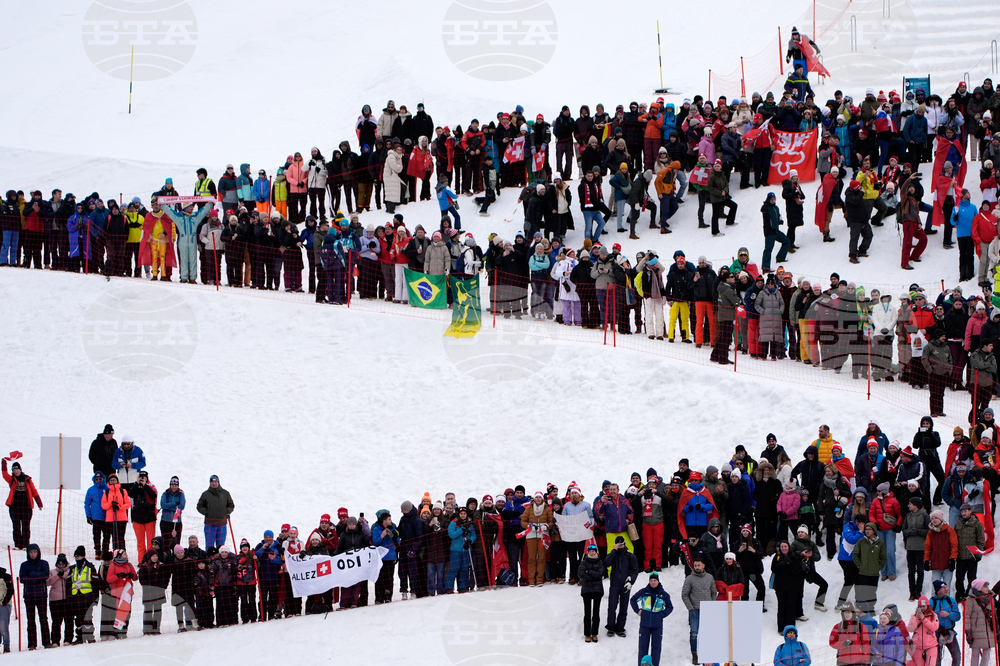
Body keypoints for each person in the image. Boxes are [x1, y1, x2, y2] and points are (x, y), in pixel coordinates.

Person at [629, 570, 672, 666]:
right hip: (644, 625)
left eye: (654, 580)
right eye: (651, 580)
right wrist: (637, 610)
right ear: (649, 581)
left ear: (658, 582)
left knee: (656, 649)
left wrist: (662, 614)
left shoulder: (663, 594)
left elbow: (670, 607)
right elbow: (633, 599)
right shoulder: (644, 592)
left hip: (657, 626)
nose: (653, 582)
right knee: (642, 648)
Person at [681, 558, 716, 665]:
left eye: (698, 565)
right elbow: (684, 594)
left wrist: (711, 604)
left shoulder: (710, 577)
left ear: (703, 565)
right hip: (695, 610)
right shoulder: (689, 579)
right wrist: (690, 607)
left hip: (707, 610)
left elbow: (714, 592)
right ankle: (694, 655)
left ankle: (708, 654)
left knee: (708, 634)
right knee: (694, 633)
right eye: (695, 565)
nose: (696, 567)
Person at [3, 458, 42, 550]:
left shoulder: (27, 480)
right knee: (16, 526)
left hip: (26, 507)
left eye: (17, 469)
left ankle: (25, 545)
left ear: (20, 470)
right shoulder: (12, 480)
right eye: (14, 470)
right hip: (14, 507)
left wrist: (39, 503)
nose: (15, 471)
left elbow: (34, 492)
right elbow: (4, 475)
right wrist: (4, 462)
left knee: (25, 526)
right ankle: (17, 544)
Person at [605, 534, 639, 638]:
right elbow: (606, 563)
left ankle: (620, 627)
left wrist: (631, 581)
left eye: (621, 544)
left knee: (623, 607)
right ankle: (610, 627)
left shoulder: (630, 556)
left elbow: (635, 570)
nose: (620, 546)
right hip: (614, 584)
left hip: (625, 585)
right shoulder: (613, 555)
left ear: (624, 544)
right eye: (617, 544)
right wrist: (613, 551)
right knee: (612, 606)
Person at [20, 544, 50, 649]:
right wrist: (37, 577)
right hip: (29, 596)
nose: (33, 554)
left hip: (41, 595)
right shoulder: (24, 565)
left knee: (43, 618)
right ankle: (32, 644)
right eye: (31, 552)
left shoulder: (44, 563)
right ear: (28, 553)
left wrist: (32, 574)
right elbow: (22, 579)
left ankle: (46, 642)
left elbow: (46, 575)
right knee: (30, 619)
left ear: (38, 552)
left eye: (35, 552)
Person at [953, 503, 985, 599]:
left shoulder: (977, 524)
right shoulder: (958, 524)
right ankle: (960, 594)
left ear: (970, 511)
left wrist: (978, 554)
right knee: (959, 578)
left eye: (965, 511)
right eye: (962, 511)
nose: (963, 513)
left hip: (972, 556)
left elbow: (980, 540)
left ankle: (970, 594)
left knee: (971, 578)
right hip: (960, 556)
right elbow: (954, 540)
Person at [853, 521, 887, 611]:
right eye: (866, 529)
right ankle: (861, 609)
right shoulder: (861, 541)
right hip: (863, 572)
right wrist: (859, 565)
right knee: (862, 591)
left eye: (869, 529)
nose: (867, 531)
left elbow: (883, 557)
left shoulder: (880, 543)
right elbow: (855, 554)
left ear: (874, 531)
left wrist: (878, 567)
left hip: (874, 573)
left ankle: (871, 608)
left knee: (872, 592)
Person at [901, 497, 929, 601]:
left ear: (915, 505)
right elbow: (903, 530)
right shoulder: (908, 516)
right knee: (911, 570)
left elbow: (928, 531)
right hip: (910, 547)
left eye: (910, 504)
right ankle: (911, 591)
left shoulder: (924, 515)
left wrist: (917, 531)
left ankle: (918, 590)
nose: (908, 506)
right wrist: (909, 533)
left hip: (920, 547)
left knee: (920, 570)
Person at [68, 545, 98, 644]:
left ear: (83, 556)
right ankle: (80, 637)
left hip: (87, 596)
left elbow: (95, 583)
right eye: (75, 556)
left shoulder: (90, 567)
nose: (77, 558)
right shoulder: (72, 568)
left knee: (88, 617)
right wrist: (69, 597)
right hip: (76, 597)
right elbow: (68, 584)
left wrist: (95, 597)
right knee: (78, 618)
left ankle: (90, 636)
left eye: (79, 556)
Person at [197, 475, 234, 549]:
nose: (214, 483)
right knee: (209, 545)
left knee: (221, 546)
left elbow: (231, 505)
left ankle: (220, 560)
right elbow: (199, 506)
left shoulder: (225, 493)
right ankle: (209, 559)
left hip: (222, 524)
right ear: (210, 483)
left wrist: (227, 511)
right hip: (209, 524)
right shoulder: (205, 494)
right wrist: (206, 512)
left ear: (218, 482)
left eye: (215, 482)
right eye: (212, 482)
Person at [929, 580, 961, 666]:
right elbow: (926, 618)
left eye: (946, 587)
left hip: (950, 633)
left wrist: (948, 614)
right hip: (936, 634)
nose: (946, 589)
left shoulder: (951, 600)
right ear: (937, 590)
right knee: (937, 660)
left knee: (957, 657)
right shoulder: (931, 602)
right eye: (943, 588)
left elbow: (958, 616)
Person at [923, 329, 953, 418]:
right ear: (937, 337)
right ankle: (933, 411)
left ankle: (940, 410)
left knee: (941, 393)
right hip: (934, 373)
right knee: (934, 393)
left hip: (944, 373)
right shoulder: (929, 347)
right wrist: (930, 370)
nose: (944, 338)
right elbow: (924, 359)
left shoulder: (946, 347)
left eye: (944, 336)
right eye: (942, 336)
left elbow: (950, 359)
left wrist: (949, 369)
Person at [966, 579, 996, 666]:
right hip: (976, 631)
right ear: (979, 588)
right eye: (985, 586)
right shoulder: (971, 599)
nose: (987, 588)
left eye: (987, 586)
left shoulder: (990, 597)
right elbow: (967, 616)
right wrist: (968, 631)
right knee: (975, 653)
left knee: (987, 652)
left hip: (988, 630)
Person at [578, 544, 604, 643]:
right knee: (587, 613)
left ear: (596, 552)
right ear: (588, 552)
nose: (592, 553)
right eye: (590, 551)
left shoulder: (600, 562)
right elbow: (581, 575)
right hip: (587, 590)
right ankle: (587, 634)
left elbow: (600, 574)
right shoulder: (584, 562)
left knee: (596, 613)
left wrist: (589, 572)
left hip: (597, 590)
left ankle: (594, 633)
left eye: (593, 551)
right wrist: (593, 574)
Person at [371, 509, 398, 604]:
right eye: (389, 519)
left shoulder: (393, 528)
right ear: (384, 520)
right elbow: (375, 543)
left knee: (389, 577)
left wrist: (395, 537)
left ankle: (388, 596)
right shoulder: (376, 529)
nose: (391, 521)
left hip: (391, 557)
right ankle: (379, 597)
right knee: (380, 578)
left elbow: (398, 541)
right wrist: (382, 536)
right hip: (380, 558)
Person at [908, 597, 940, 666]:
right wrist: (917, 619)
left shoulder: (933, 616)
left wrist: (923, 619)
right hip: (917, 646)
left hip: (931, 645)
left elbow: (934, 627)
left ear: (927, 606)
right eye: (920, 606)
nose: (922, 608)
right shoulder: (914, 616)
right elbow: (910, 629)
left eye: (923, 606)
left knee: (931, 664)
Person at [159, 476, 185, 552]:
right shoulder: (165, 494)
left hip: (177, 521)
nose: (174, 487)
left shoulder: (181, 494)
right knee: (165, 543)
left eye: (175, 485)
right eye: (172, 485)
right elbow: (163, 505)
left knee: (176, 543)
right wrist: (174, 504)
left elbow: (181, 506)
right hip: (165, 521)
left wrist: (169, 506)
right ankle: (166, 559)